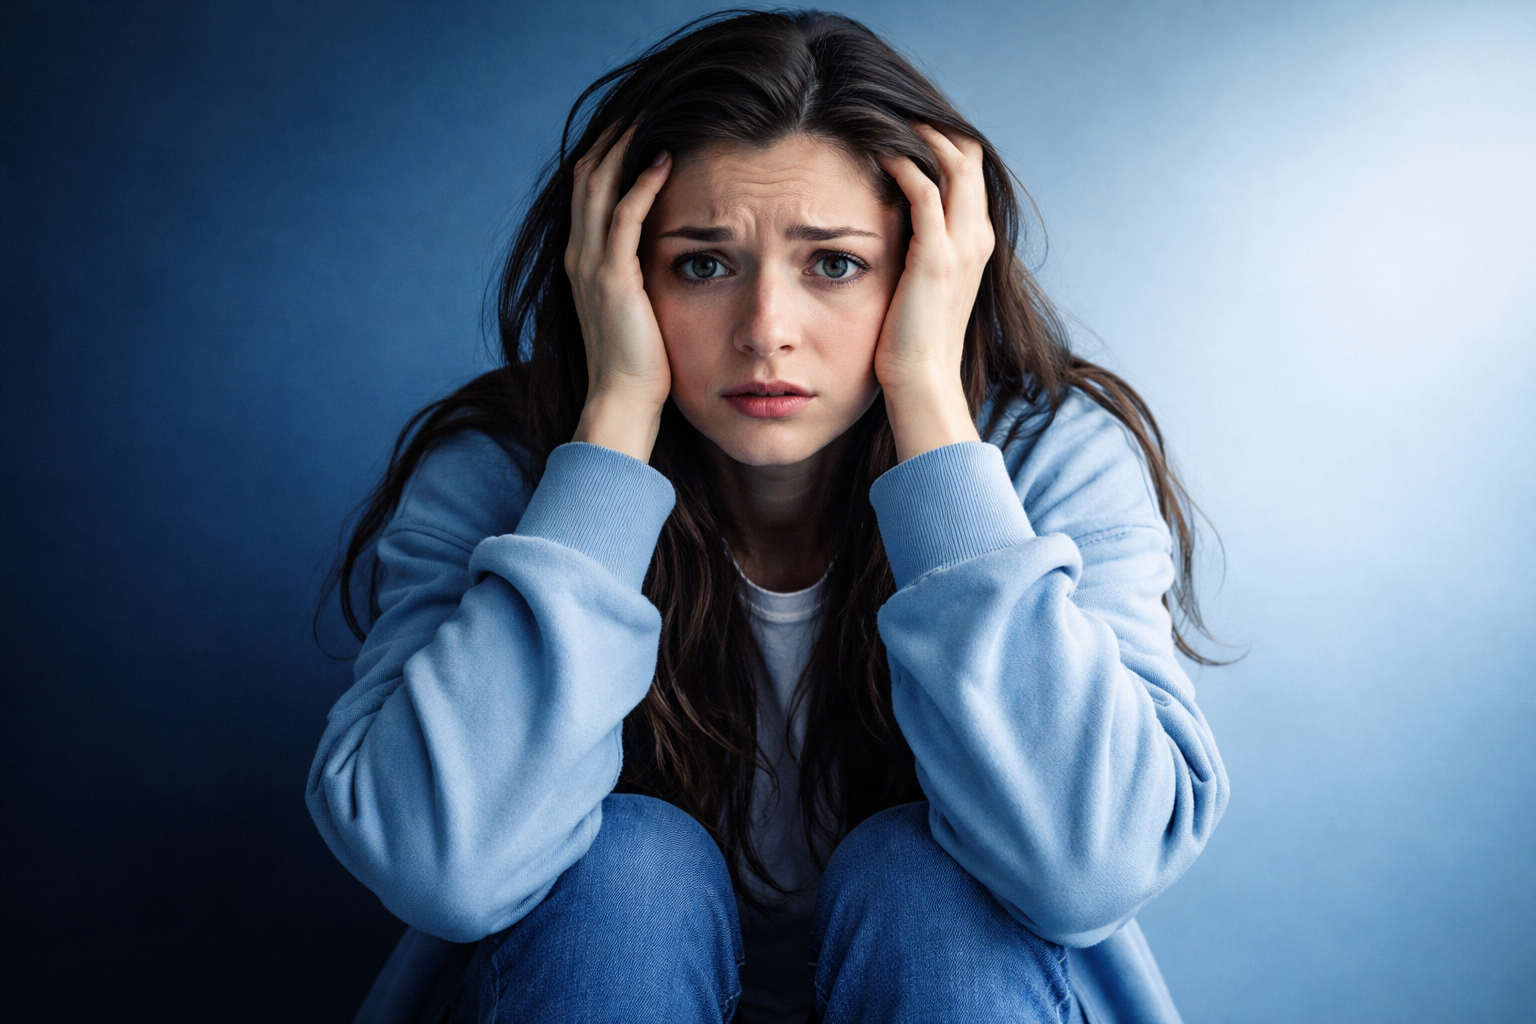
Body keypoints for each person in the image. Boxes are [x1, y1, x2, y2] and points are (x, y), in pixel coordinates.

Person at [307, 10, 1229, 1024]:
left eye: (834, 263)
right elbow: (445, 867)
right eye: (703, 263)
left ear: (928, 271)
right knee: (626, 870)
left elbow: (1088, 867)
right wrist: (611, 423)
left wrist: (925, 388)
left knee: (926, 880)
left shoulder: (1049, 462)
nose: (765, 333)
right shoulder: (506, 473)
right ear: (615, 275)